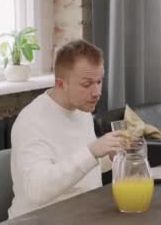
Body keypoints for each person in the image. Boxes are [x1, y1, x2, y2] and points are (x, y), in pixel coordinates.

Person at [8, 39, 126, 219]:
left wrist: (108, 155)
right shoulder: (31, 122)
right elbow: (37, 190)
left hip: (82, 214)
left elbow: (77, 169)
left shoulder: (81, 108)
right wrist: (93, 151)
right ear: (61, 84)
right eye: (87, 84)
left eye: (99, 81)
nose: (96, 92)